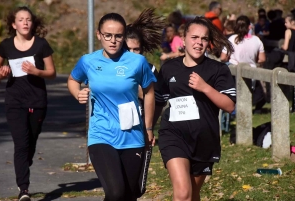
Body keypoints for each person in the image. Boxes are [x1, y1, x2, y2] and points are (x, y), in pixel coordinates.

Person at [67, 13, 156, 201]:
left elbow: (149, 92)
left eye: (118, 36)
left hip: (132, 135)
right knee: (115, 192)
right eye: (108, 35)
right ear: (99, 35)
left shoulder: (137, 62)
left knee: (129, 195)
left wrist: (148, 127)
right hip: (101, 135)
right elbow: (73, 80)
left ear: (124, 36)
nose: (113, 41)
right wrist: (77, 93)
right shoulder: (88, 61)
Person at [156, 16, 235, 200]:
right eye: (194, 37)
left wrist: (205, 87)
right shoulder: (169, 68)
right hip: (173, 135)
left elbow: (230, 105)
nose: (199, 43)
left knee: (193, 194)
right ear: (183, 39)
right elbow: (159, 100)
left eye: (204, 39)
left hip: (204, 139)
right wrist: (148, 129)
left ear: (208, 42)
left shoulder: (218, 70)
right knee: (183, 193)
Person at [0, 6, 56, 200]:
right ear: (14, 24)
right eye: (21, 19)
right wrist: (2, 73)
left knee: (30, 143)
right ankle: (23, 189)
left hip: (37, 101)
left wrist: (36, 72)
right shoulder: (6, 45)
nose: (25, 22)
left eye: (28, 19)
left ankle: (25, 162)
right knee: (21, 145)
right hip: (15, 102)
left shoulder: (41, 45)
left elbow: (52, 72)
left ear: (32, 23)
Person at [126, 8, 166, 129]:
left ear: (142, 50)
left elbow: (160, 100)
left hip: (138, 131)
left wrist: (149, 127)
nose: (132, 54)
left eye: (136, 49)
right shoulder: (110, 67)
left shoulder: (149, 69)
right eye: (128, 49)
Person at [221, 15, 266, 114]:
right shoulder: (257, 40)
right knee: (246, 97)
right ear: (249, 26)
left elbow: (223, 57)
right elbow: (262, 59)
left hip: (234, 72)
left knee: (235, 97)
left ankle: (235, 117)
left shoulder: (232, 39)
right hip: (251, 73)